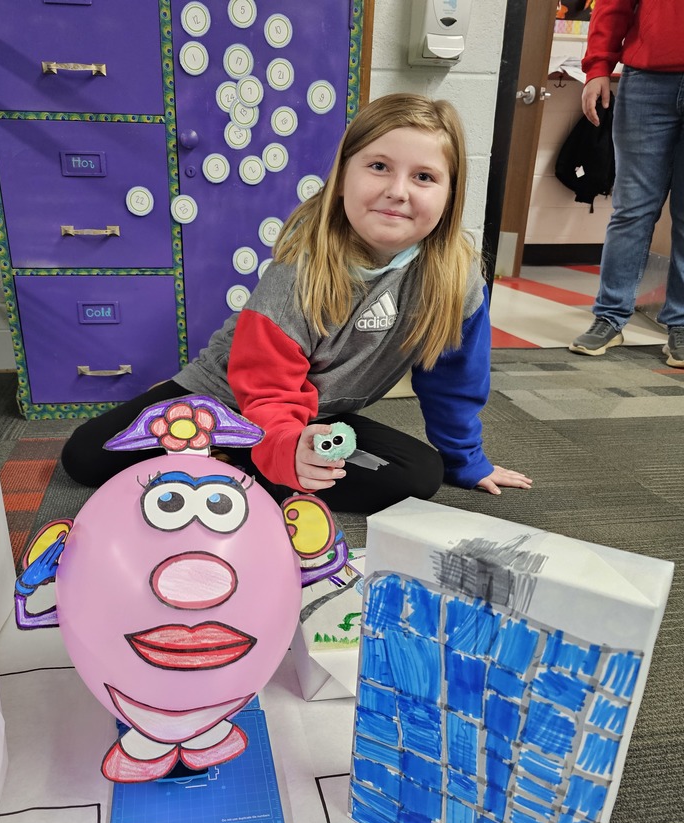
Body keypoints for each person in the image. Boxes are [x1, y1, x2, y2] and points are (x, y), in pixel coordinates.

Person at [61, 93, 532, 513]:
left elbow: (455, 382)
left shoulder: (456, 278)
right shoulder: (299, 273)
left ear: (450, 196)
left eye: (424, 176)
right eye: (378, 167)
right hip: (227, 398)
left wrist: (467, 462)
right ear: (342, 178)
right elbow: (267, 390)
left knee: (419, 475)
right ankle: (243, 452)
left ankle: (238, 459)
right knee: (85, 457)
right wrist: (285, 448)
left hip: (311, 412)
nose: (398, 190)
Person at [569, 0, 684, 367]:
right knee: (632, 209)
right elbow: (613, 4)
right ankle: (609, 317)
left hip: (649, 79)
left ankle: (681, 322)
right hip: (647, 80)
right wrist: (597, 67)